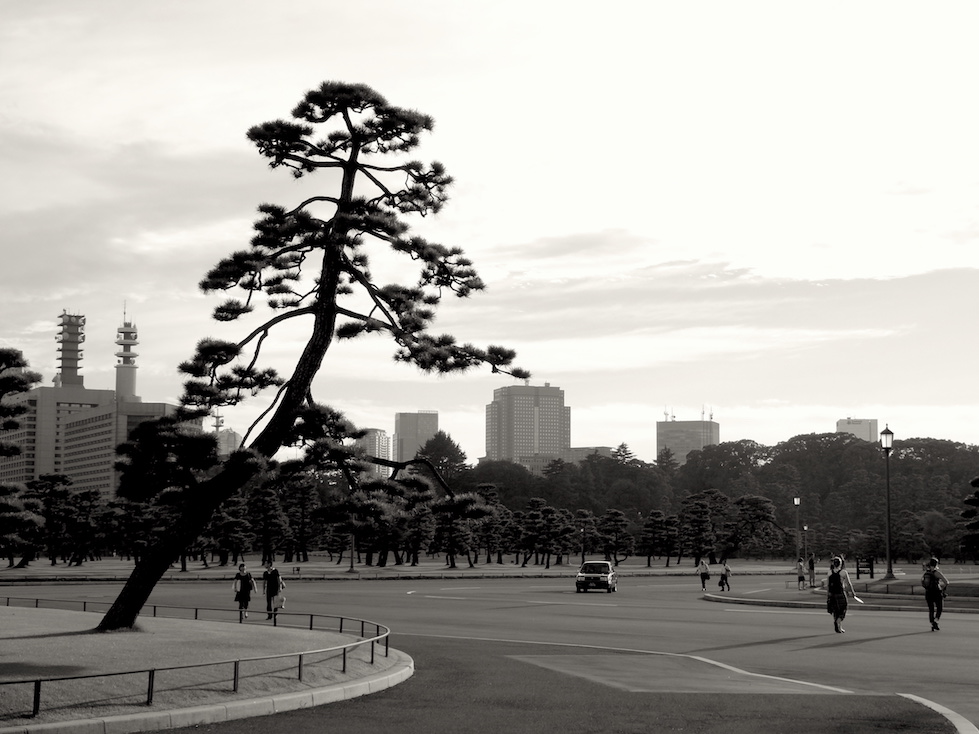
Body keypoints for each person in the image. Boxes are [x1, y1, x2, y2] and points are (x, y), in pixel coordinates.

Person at [826, 556, 855, 633]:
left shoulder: (829, 572)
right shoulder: (843, 572)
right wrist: (853, 593)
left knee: (835, 610)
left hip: (832, 594)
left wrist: (828, 596)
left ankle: (839, 627)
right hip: (840, 593)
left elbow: (828, 585)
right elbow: (849, 584)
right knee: (843, 608)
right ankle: (837, 622)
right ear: (840, 564)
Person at [921, 557, 949, 631]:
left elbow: (923, 582)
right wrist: (943, 590)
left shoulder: (927, 572)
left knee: (931, 609)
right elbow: (947, 582)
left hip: (928, 593)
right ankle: (936, 621)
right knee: (939, 608)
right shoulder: (937, 573)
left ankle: (932, 622)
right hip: (937, 592)